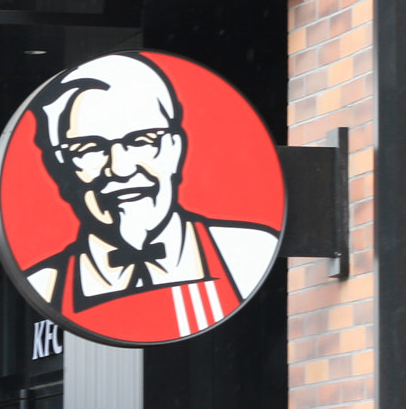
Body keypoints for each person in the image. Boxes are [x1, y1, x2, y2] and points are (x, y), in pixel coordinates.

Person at [19, 52, 280, 342]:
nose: (120, 168)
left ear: (175, 148)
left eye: (141, 141)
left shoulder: (247, 253)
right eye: (90, 148)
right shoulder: (45, 285)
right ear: (60, 166)